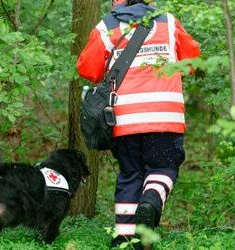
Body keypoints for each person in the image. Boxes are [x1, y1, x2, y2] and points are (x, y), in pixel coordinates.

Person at [77, 0, 201, 249]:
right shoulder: (168, 21)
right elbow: (192, 61)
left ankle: (123, 238)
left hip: (124, 119)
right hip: (165, 116)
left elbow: (87, 69)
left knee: (129, 175)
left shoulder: (108, 25)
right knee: (163, 168)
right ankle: (151, 200)